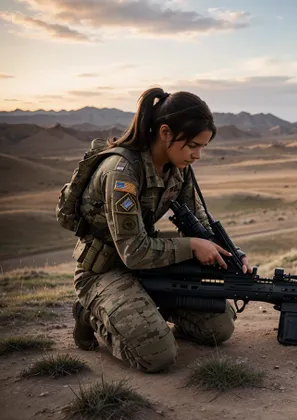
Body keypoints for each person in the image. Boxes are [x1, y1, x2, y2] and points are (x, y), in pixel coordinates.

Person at [71, 87, 252, 373]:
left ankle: (143, 310)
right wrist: (192, 246)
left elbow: (200, 221)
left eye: (203, 146)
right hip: (104, 271)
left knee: (219, 326)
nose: (198, 155)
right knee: (157, 356)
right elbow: (133, 252)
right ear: (166, 132)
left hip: (150, 268)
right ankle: (89, 314)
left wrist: (231, 254)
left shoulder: (178, 168)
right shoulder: (121, 172)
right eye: (193, 145)